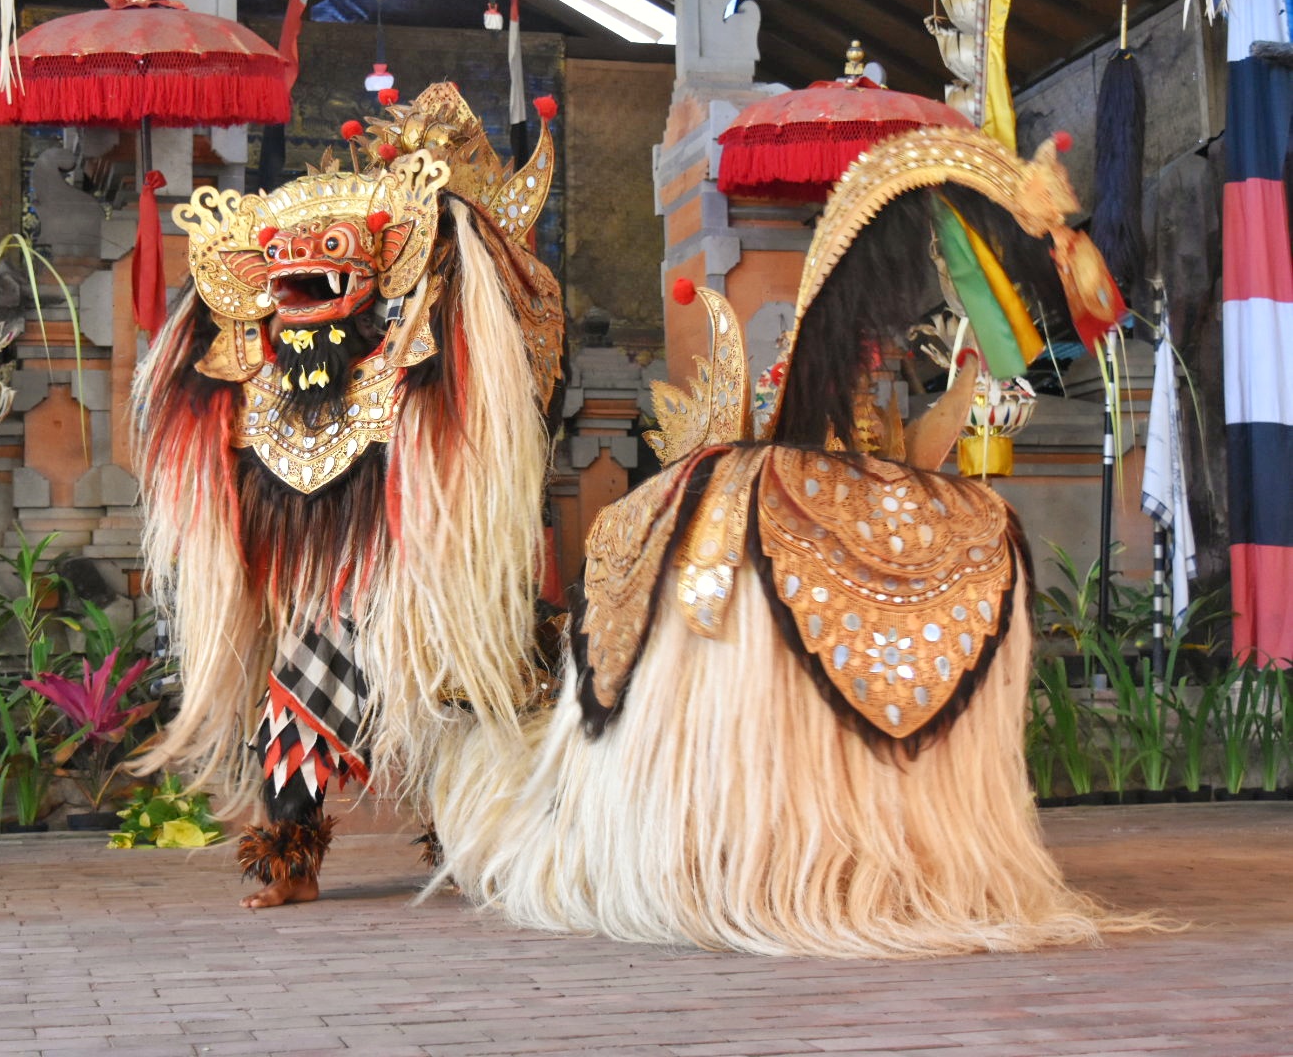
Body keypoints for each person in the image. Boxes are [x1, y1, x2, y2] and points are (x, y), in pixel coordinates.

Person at [427, 127, 1157, 956]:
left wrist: (961, 388)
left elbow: (914, 449)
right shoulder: (778, 427)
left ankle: (867, 847)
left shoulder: (881, 426)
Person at [131, 84, 563, 908]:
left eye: (329, 254)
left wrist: (458, 240)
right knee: (289, 710)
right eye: (285, 265)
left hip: (421, 582)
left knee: (455, 702)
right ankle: (291, 860)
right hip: (324, 592)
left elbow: (484, 413)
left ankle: (471, 841)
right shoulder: (253, 382)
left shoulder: (428, 360)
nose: (302, 276)